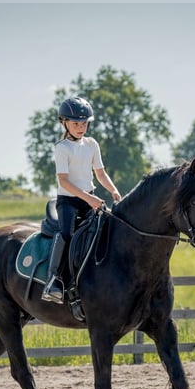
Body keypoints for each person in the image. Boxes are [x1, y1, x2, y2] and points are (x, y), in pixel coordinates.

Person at [42, 96, 122, 303]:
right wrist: (89, 199)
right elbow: (65, 182)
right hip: (68, 201)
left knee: (108, 231)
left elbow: (101, 174)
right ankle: (54, 280)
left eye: (84, 123)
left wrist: (114, 191)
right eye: (76, 123)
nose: (81, 127)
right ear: (64, 123)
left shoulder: (92, 144)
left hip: (90, 198)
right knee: (67, 234)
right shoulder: (62, 148)